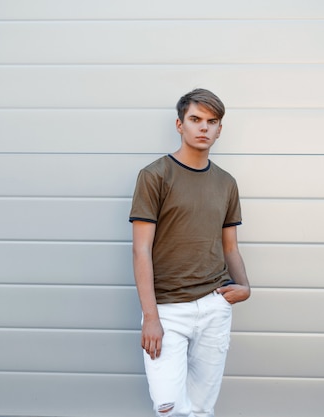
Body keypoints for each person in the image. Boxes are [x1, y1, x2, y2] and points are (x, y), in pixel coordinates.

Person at [129, 88, 251, 417]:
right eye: (195, 119)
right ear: (179, 124)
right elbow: (141, 250)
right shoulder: (155, 176)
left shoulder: (226, 183)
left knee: (201, 409)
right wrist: (151, 318)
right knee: (168, 406)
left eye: (212, 122)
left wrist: (244, 287)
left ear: (219, 129)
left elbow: (230, 247)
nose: (204, 128)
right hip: (167, 310)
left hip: (214, 305)